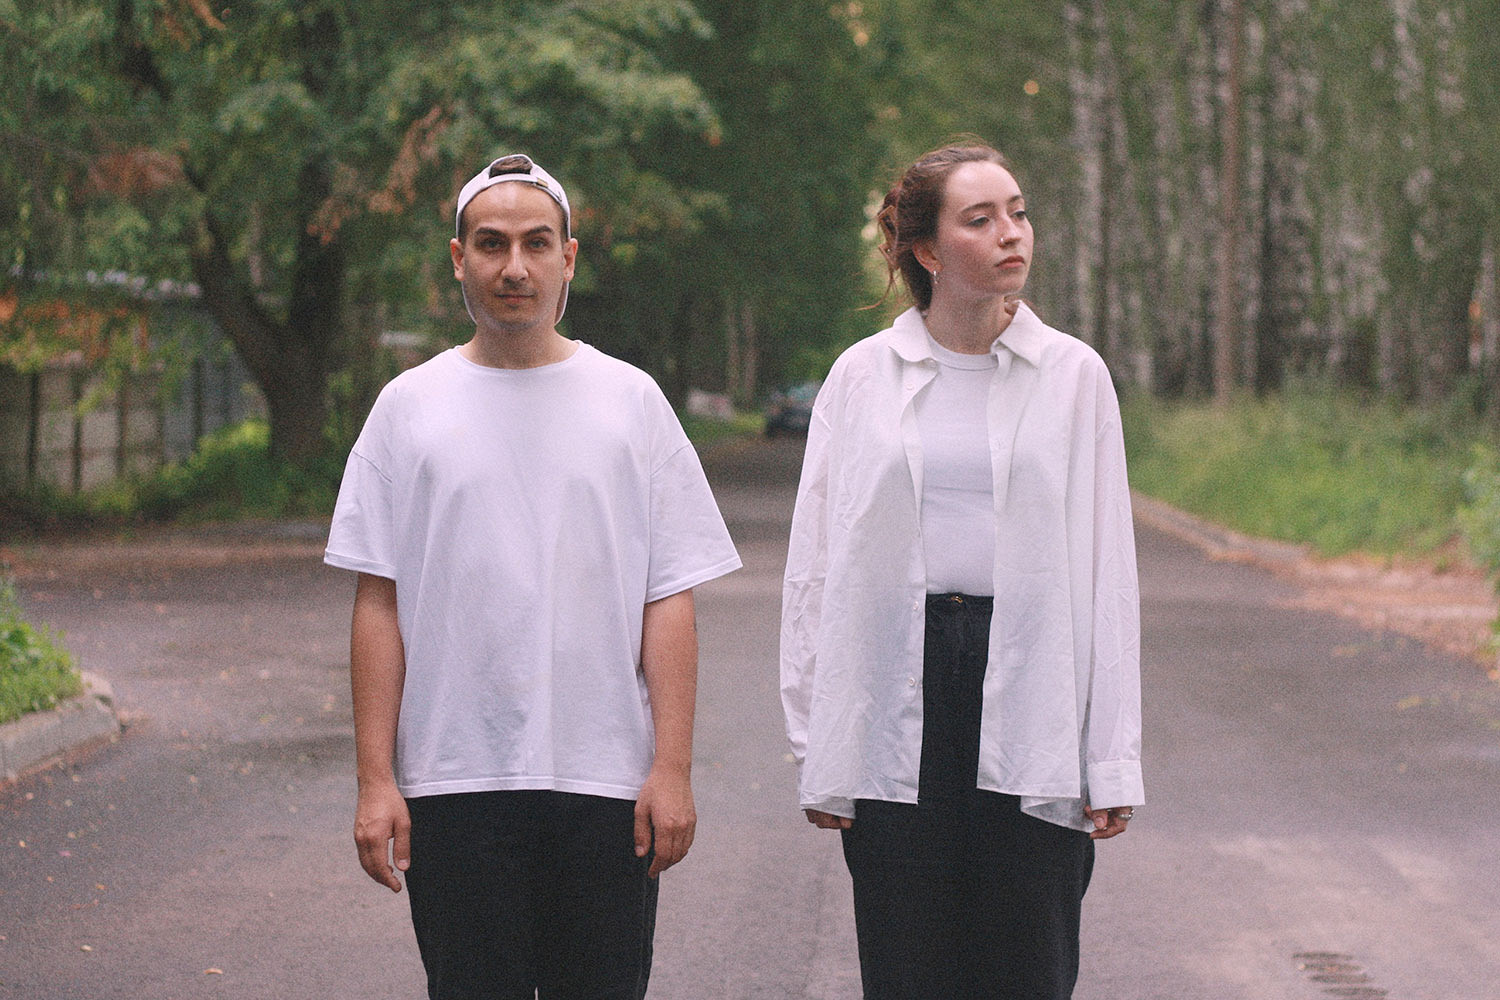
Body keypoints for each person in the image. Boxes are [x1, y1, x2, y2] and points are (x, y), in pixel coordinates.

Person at [325, 153, 741, 1000]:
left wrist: (672, 769)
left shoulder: (631, 402)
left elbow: (669, 598)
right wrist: (376, 781)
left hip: (605, 784)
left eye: (536, 243)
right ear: (458, 259)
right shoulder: (407, 407)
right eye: (491, 244)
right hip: (454, 783)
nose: (514, 266)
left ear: (568, 258)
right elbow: (379, 603)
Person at [780, 141, 1143, 1000]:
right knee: (907, 960)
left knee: (1029, 959)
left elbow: (1109, 574)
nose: (1011, 233)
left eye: (1017, 212)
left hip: (1034, 680)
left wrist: (1111, 756)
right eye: (980, 219)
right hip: (896, 685)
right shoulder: (862, 376)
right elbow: (816, 566)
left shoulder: (1074, 377)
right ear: (928, 250)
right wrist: (818, 743)